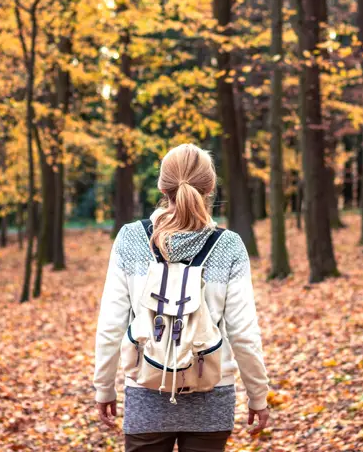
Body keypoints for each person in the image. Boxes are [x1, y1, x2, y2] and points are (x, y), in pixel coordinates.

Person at [93, 143, 270, 452]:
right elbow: (244, 333)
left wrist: (104, 387)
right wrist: (258, 394)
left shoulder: (131, 239)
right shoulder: (229, 246)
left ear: (163, 187)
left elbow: (111, 324)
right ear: (210, 187)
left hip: (146, 387)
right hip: (212, 393)